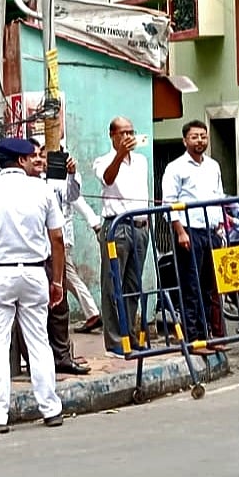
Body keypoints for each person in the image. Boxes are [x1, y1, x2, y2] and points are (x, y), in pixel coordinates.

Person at [0, 138, 66, 434]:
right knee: (38, 341)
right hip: (35, 273)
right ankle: (51, 408)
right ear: (21, 161)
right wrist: (56, 279)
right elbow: (57, 239)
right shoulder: (43, 189)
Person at [161, 119, 227, 345]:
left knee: (210, 286)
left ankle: (207, 334)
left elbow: (219, 195)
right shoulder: (175, 168)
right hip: (189, 231)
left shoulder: (213, 166)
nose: (199, 140)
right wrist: (180, 232)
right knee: (191, 286)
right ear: (185, 140)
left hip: (211, 231)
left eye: (203, 136)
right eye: (194, 137)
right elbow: (169, 203)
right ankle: (193, 338)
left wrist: (220, 225)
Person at [30, 140, 91, 376]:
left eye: (42, 155)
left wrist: (73, 175)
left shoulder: (57, 181)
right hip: (32, 252)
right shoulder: (24, 184)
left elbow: (73, 196)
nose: (40, 160)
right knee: (34, 309)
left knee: (59, 306)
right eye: (35, 155)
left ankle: (61, 356)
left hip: (55, 250)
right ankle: (37, 359)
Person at [93, 116, 152, 357]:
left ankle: (129, 335)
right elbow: (107, 179)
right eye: (123, 133)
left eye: (131, 132)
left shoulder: (141, 160)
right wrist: (119, 156)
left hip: (140, 226)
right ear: (113, 135)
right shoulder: (103, 160)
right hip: (117, 227)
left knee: (133, 284)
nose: (128, 137)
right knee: (112, 283)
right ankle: (115, 340)